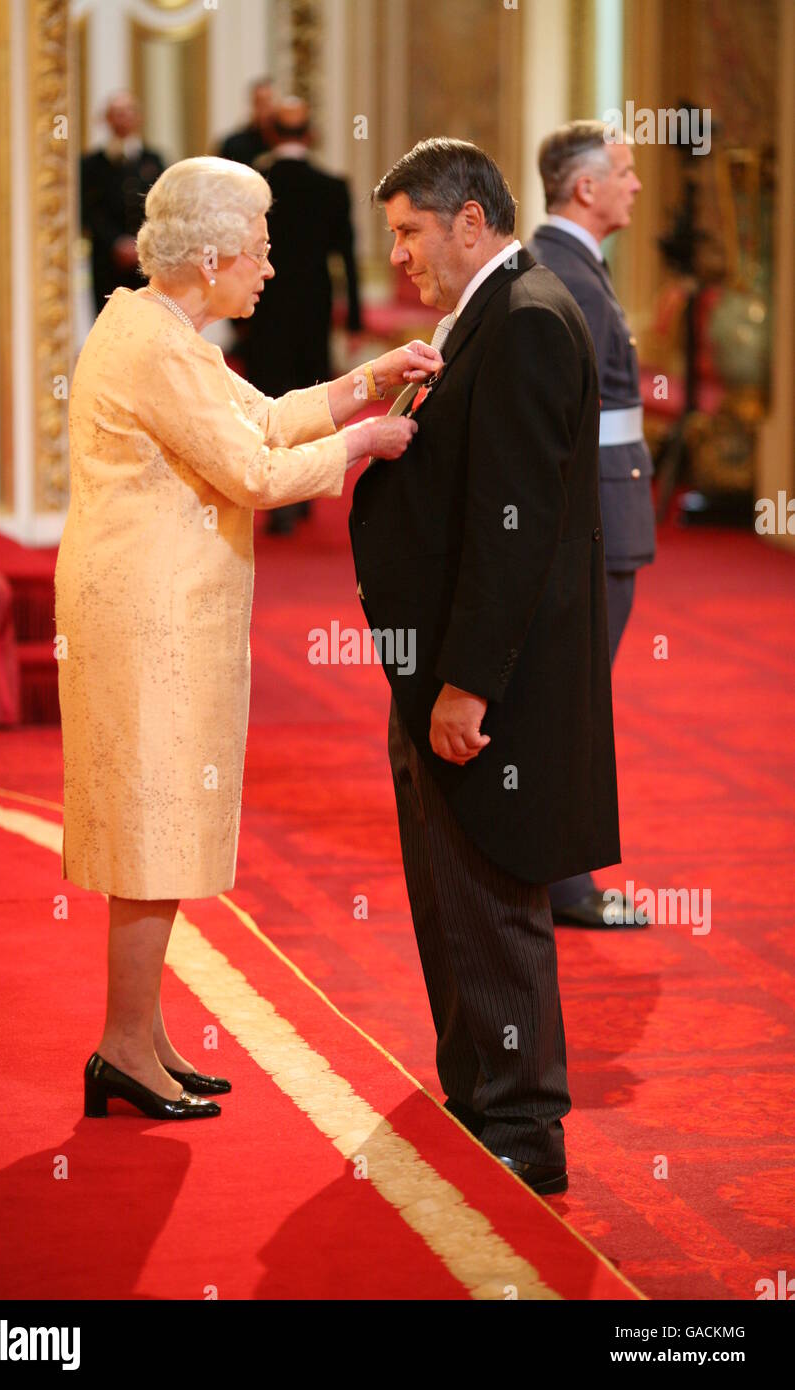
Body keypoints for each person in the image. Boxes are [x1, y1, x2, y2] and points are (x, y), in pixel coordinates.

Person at [55, 156, 440, 1122]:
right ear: (215, 253)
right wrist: (366, 442)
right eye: (261, 251)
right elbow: (253, 472)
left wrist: (371, 379)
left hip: (162, 611)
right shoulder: (156, 344)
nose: (269, 268)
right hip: (146, 617)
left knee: (166, 825)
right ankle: (122, 1047)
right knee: (149, 832)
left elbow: (264, 419)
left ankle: (140, 1038)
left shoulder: (165, 329)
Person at [349, 139, 620, 1196]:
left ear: (472, 222)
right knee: (449, 891)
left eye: (411, 233)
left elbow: (517, 531)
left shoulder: (525, 319)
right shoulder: (491, 315)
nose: (402, 257)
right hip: (440, 670)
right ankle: (474, 1087)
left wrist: (466, 682)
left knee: (493, 893)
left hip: (484, 686)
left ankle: (522, 1123)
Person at [528, 121, 655, 930]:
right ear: (586, 188)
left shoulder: (573, 264)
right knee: (569, 706)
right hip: (595, 523)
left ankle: (557, 874)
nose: (636, 185)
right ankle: (563, 883)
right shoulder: (566, 273)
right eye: (625, 172)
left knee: (572, 702)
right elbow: (558, 426)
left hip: (608, 513)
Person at [245, 96, 363, 535]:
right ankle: (307, 486)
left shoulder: (256, 184)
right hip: (314, 305)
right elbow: (347, 257)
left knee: (270, 396)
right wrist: (352, 319)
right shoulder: (332, 185)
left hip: (264, 304)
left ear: (272, 133)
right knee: (312, 394)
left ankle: (280, 501)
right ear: (310, 134)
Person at [80, 91, 165, 315]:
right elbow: (89, 210)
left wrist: (140, 242)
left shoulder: (154, 160)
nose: (123, 118)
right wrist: (116, 243)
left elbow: (162, 208)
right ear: (107, 119)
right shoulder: (91, 164)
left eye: (128, 112)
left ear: (138, 117)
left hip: (145, 259)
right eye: (116, 113)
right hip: (107, 260)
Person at [216, 77, 275, 167]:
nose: (263, 108)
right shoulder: (233, 144)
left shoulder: (287, 142)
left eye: (268, 101)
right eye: (258, 102)